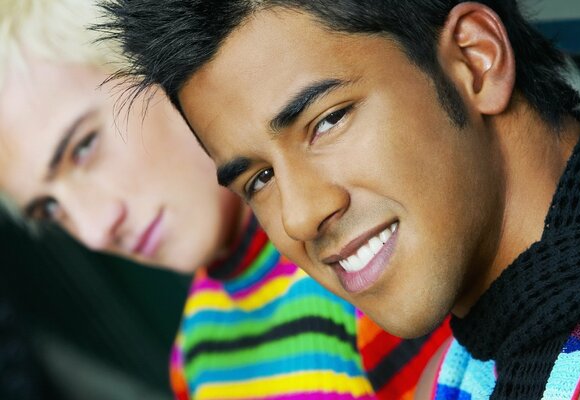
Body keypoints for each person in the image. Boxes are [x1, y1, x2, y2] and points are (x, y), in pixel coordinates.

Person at [100, 0, 580, 398]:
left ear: (475, 61)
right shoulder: (463, 375)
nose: (299, 217)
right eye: (258, 180)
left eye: (328, 121)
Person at [0, 1, 451, 399]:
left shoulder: (364, 255)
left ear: (156, 62)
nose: (96, 230)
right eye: (50, 209)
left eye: (83, 147)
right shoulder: (196, 354)